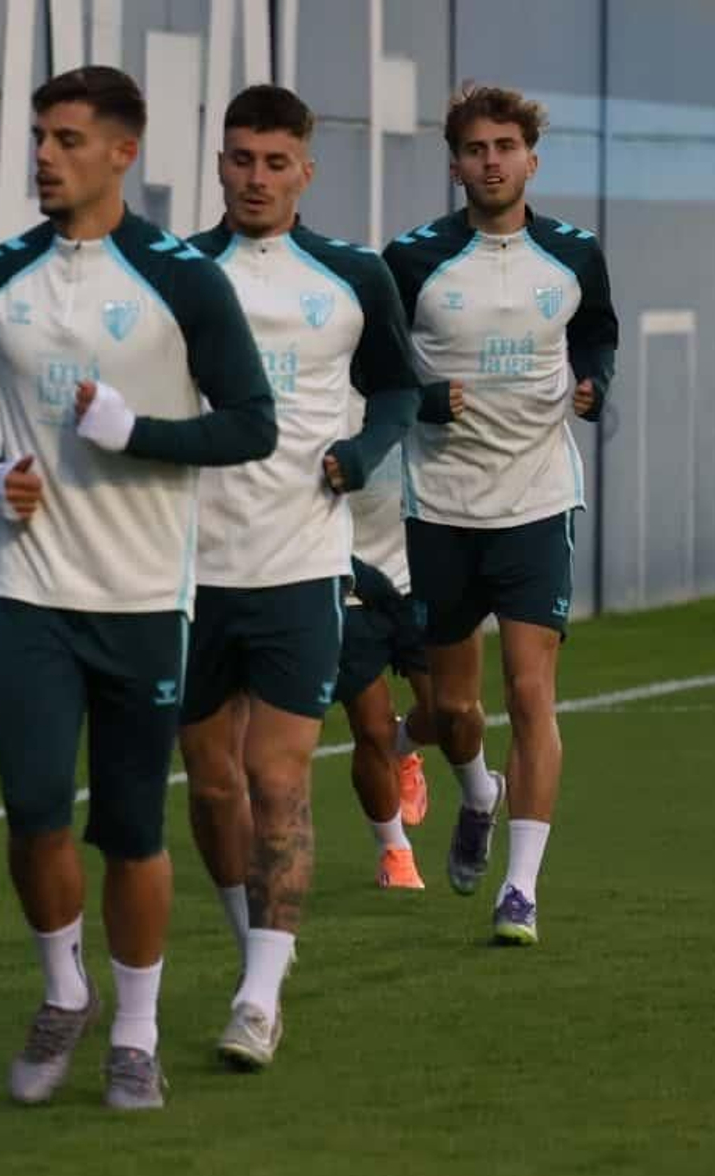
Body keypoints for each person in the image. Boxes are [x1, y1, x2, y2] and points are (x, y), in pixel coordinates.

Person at [0, 66, 275, 1110]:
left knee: (131, 828)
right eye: (40, 135)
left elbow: (253, 422)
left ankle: (136, 1029)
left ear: (122, 153)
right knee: (33, 811)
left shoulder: (181, 281)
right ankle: (63, 991)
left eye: (67, 138)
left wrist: (140, 434)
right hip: (33, 595)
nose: (44, 154)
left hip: (144, 602)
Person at [182, 84, 418, 1068]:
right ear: (221, 163)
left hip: (301, 562)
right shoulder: (177, 270)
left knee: (278, 779)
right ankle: (254, 963)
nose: (256, 178)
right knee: (210, 785)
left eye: (275, 163)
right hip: (188, 569)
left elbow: (399, 385)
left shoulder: (351, 274)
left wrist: (360, 457)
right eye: (240, 159)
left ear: (305, 172)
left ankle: (257, 992)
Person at [383, 84, 618, 946]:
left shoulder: (575, 253)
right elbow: (375, 370)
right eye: (476, 148)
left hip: (536, 495)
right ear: (454, 164)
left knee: (530, 693)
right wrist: (422, 400)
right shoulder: (410, 262)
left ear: (531, 158)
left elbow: (598, 331)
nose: (492, 160)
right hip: (440, 503)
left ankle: (520, 891)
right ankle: (476, 793)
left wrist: (595, 382)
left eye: (506, 145)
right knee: (454, 711)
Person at [336, 422, 438, 889]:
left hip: (415, 571)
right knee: (371, 726)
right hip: (348, 582)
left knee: (447, 710)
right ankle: (395, 850)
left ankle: (405, 751)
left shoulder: (405, 389)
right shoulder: (318, 389)